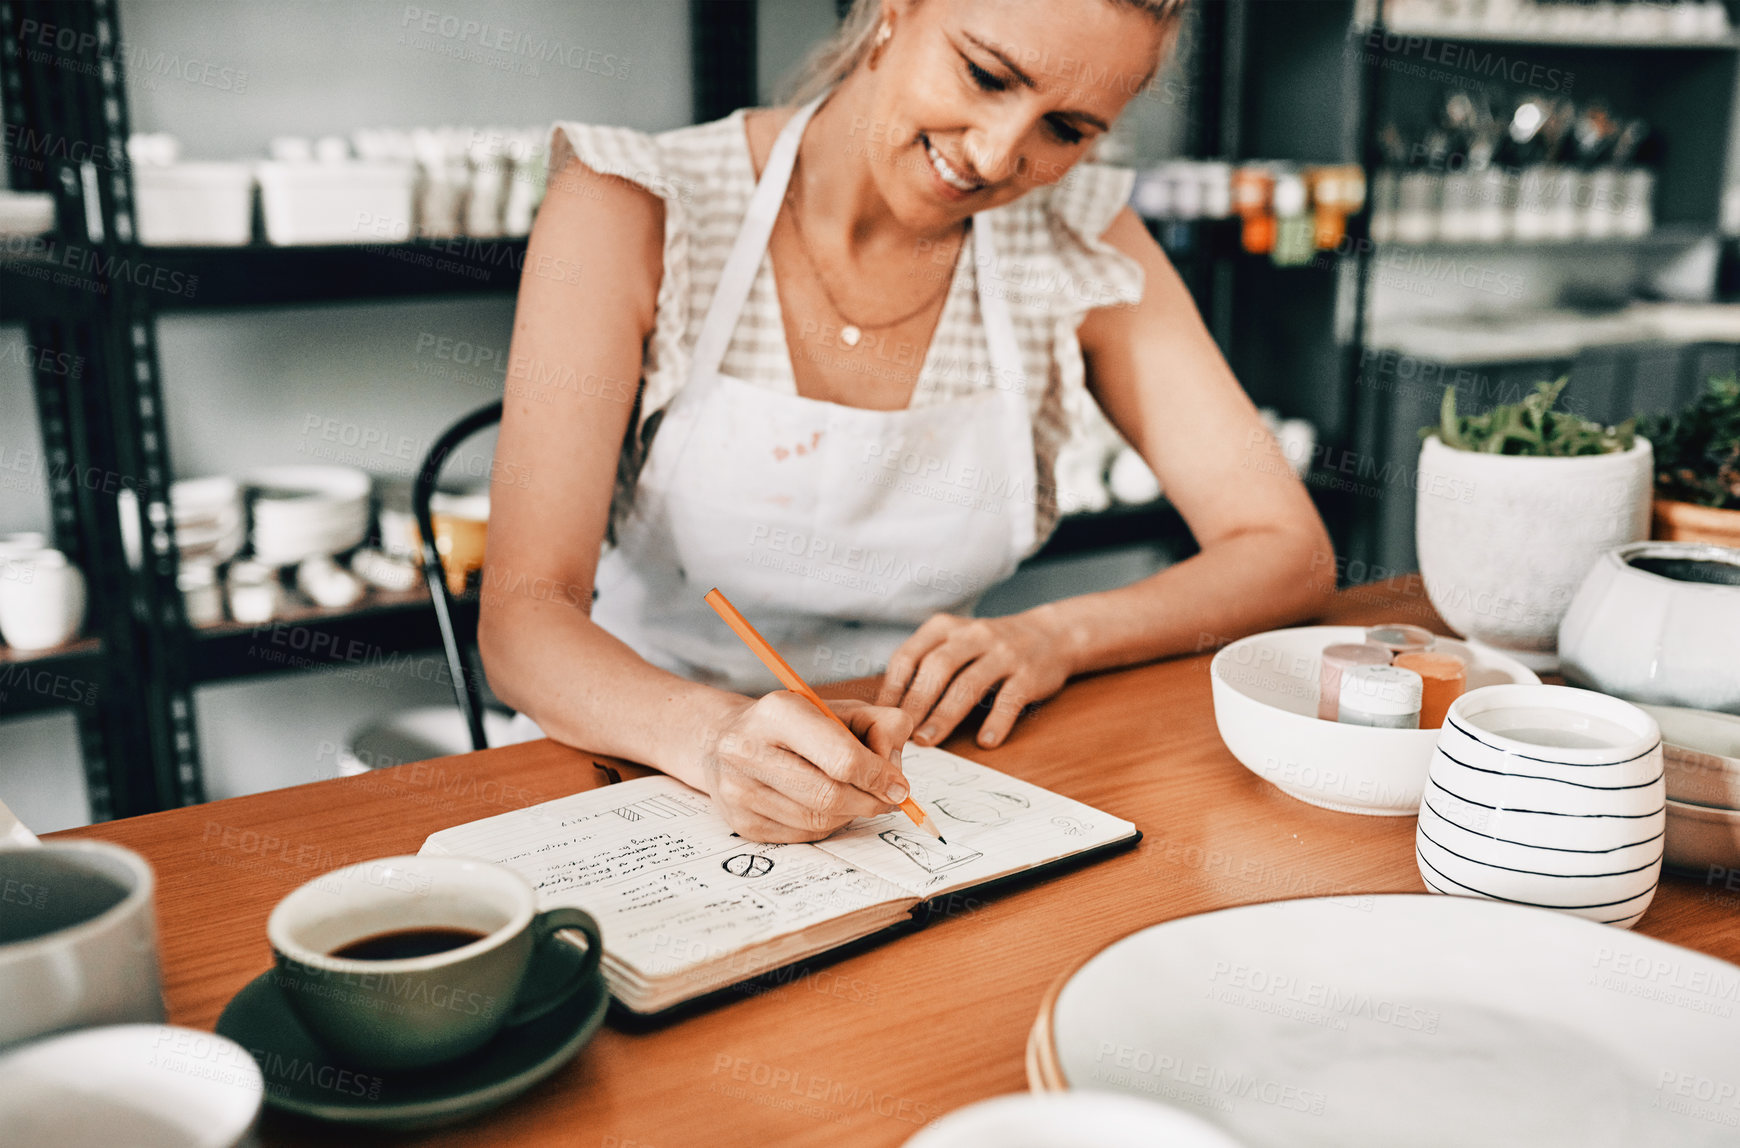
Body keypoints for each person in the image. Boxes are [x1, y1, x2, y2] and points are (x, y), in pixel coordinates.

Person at [482, 0, 1335, 842]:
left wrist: (1055, 634)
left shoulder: (1076, 237)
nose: (1000, 156)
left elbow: (1286, 548)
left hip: (919, 773)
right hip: (645, 762)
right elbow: (522, 620)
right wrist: (713, 738)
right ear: (894, 9)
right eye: (987, 74)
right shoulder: (635, 204)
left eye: (1067, 130)